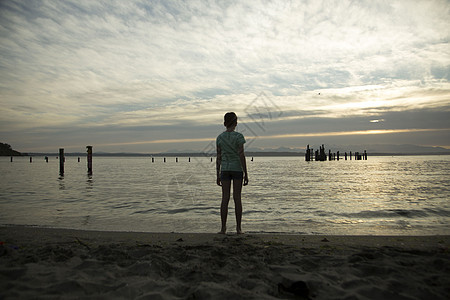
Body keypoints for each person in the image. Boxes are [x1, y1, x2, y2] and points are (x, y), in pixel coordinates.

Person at [216, 112, 249, 234]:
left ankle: (223, 228)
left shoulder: (219, 138)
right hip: (237, 169)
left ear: (224, 123)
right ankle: (239, 228)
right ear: (236, 123)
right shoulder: (239, 137)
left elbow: (218, 157)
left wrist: (217, 173)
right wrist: (246, 172)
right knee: (237, 198)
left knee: (225, 198)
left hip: (224, 169)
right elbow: (241, 155)